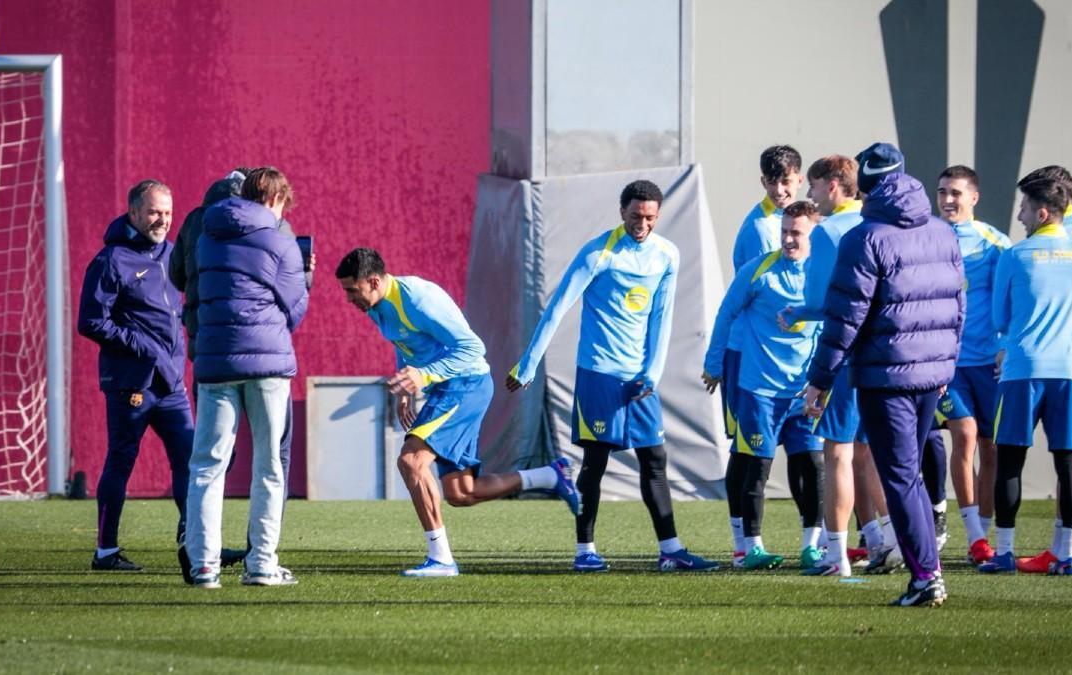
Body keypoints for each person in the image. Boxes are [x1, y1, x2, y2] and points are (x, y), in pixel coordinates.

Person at [507, 179, 718, 573]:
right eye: (636, 216)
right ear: (622, 212)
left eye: (650, 217)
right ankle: (585, 550)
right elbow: (557, 309)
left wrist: (652, 372)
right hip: (598, 376)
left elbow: (662, 318)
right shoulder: (598, 254)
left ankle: (670, 550)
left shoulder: (666, 256)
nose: (643, 224)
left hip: (639, 381)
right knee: (595, 463)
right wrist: (529, 362)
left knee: (655, 459)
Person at [335, 248, 580, 578]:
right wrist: (408, 384)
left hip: (466, 385)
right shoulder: (377, 305)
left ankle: (441, 559)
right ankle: (551, 476)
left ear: (374, 281)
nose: (348, 298)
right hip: (448, 388)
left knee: (411, 461)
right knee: (461, 493)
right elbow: (404, 343)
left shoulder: (418, 299)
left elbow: (472, 348)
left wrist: (423, 376)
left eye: (352, 290)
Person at [803, 142, 965, 607]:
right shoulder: (942, 232)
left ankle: (926, 577)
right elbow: (958, 306)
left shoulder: (864, 236)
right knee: (907, 474)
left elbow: (844, 319)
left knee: (899, 478)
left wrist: (821, 378)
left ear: (868, 187)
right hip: (931, 374)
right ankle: (928, 571)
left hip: (885, 376)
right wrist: (946, 366)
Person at [977, 176, 1072, 577]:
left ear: (1042, 212)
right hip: (1069, 374)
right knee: (1069, 465)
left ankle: (1005, 553)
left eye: (1024, 207)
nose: (1019, 213)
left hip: (1021, 372)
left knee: (1010, 461)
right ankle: (1068, 557)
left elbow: (999, 319)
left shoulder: (1015, 254)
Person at [170, 168, 316, 582]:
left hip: (214, 360)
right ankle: (261, 564)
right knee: (269, 465)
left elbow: (180, 277)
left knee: (207, 465)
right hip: (267, 363)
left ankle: (203, 564)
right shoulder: (280, 238)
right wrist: (305, 276)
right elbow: (295, 308)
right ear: (274, 199)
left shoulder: (206, 235)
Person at [779, 155, 900, 577]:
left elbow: (827, 303)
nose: (809, 196)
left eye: (812, 187)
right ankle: (890, 540)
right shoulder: (885, 226)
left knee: (838, 454)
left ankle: (836, 556)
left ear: (833, 186)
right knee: (872, 453)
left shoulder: (829, 232)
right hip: (886, 354)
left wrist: (798, 311)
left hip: (845, 354)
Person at [76, 179, 192, 572]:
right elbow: (91, 322)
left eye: (168, 212)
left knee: (190, 459)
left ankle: (193, 539)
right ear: (134, 213)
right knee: (121, 460)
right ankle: (105, 552)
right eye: (155, 212)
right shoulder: (111, 260)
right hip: (132, 382)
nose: (162, 219)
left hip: (171, 382)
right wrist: (143, 347)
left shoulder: (174, 254)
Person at [703, 200, 823, 571]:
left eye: (796, 233)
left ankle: (812, 546)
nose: (788, 239)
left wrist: (825, 380)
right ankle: (750, 548)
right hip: (759, 390)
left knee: (812, 465)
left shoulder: (824, 274)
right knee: (757, 467)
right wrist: (713, 363)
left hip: (804, 391)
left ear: (813, 235)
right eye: (785, 231)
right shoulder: (760, 272)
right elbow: (726, 313)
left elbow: (835, 324)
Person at [932, 165, 1010, 564]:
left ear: (974, 198)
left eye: (956, 193)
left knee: (991, 448)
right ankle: (976, 537)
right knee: (963, 433)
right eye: (942, 191)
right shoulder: (926, 238)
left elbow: (1013, 299)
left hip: (989, 364)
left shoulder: (995, 243)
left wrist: (1006, 345)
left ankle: (985, 528)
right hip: (949, 365)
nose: (947, 199)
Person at [732, 145, 803, 272]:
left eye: (786, 182)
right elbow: (766, 287)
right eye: (772, 182)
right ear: (763, 182)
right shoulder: (761, 228)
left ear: (800, 181)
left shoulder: (804, 218)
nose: (779, 191)